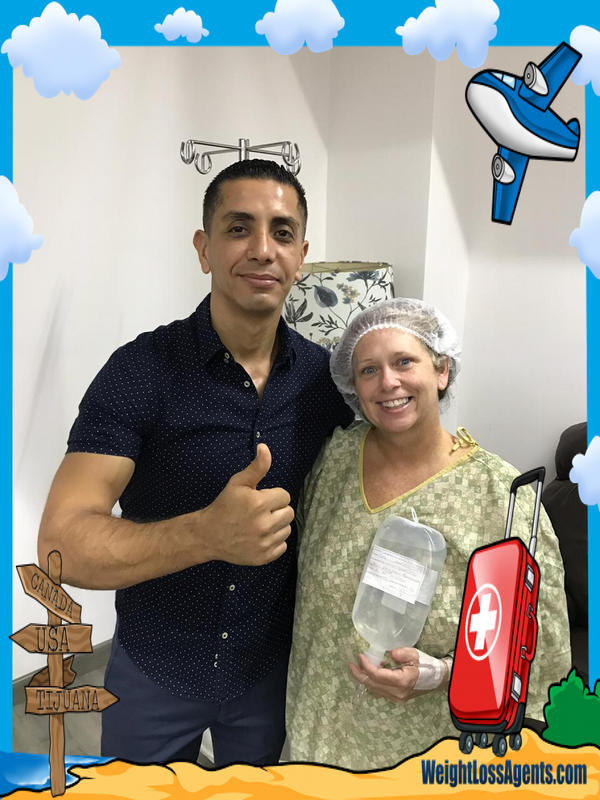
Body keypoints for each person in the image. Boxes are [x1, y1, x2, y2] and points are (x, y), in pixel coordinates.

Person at [37, 159, 353, 767]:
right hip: (154, 671)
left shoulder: (326, 383)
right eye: (239, 228)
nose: (262, 249)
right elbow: (61, 545)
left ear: (301, 256)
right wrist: (206, 534)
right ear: (204, 249)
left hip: (270, 675)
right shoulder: (140, 371)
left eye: (282, 232)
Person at [286, 297, 571, 770]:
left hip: (418, 754)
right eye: (369, 370)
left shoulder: (500, 497)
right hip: (316, 733)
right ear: (353, 386)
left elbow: (538, 652)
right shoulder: (333, 460)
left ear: (441, 370)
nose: (388, 382)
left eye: (404, 362)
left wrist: (440, 674)